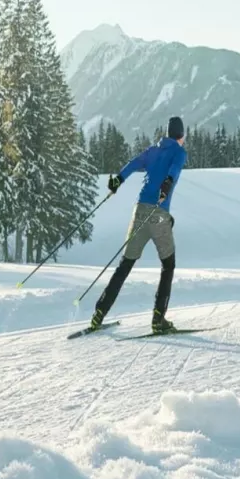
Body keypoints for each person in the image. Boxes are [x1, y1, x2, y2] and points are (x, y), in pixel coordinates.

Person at [88, 116, 188, 335]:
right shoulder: (179, 152)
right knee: (168, 265)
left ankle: (98, 314)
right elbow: (174, 172)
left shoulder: (153, 150)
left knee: (125, 264)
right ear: (181, 135)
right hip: (158, 213)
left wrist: (118, 181)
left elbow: (133, 164)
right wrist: (166, 186)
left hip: (139, 210)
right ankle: (158, 319)